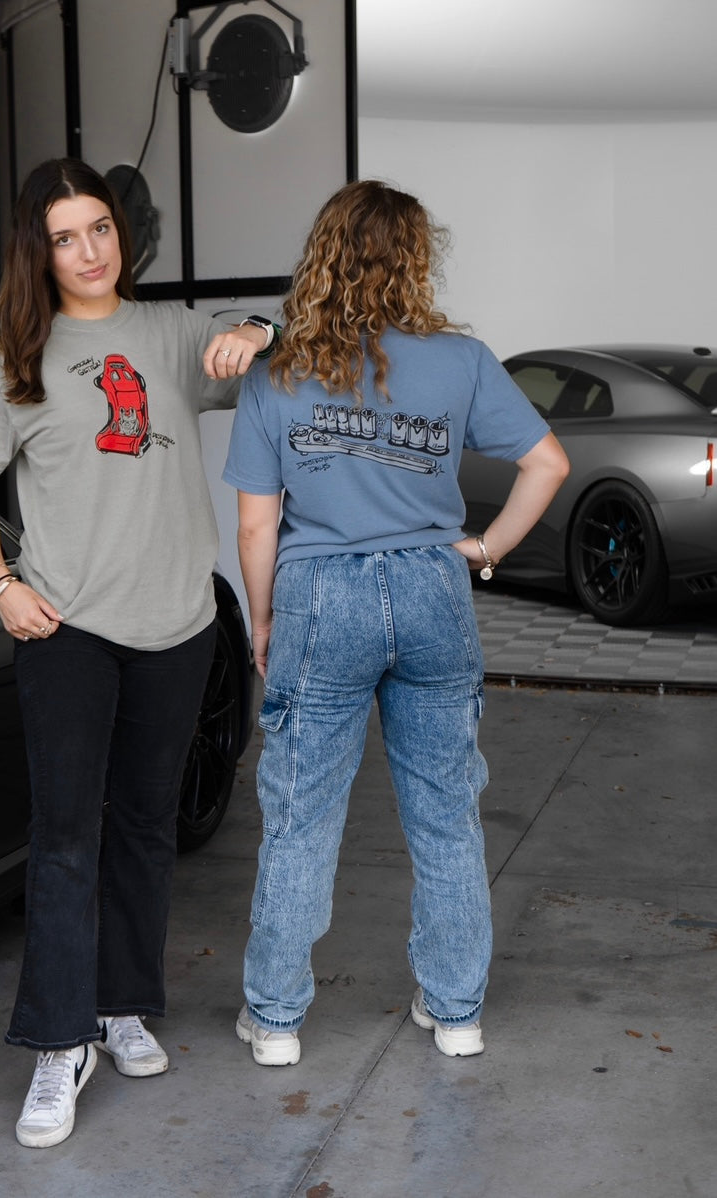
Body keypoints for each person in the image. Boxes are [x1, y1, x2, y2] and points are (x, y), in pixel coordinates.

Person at [0, 158, 276, 1148]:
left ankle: (124, 1002)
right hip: (68, 628)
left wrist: (258, 329)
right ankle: (60, 1043)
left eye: (99, 229)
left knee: (144, 825)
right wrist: (2, 584)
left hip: (175, 624)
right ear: (37, 250)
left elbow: (288, 347)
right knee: (64, 835)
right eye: (66, 236)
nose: (89, 250)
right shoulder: (10, 353)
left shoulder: (174, 334)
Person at [222, 180, 569, 1066]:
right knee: (448, 814)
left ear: (323, 253)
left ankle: (276, 1020)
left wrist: (264, 623)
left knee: (300, 817)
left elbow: (257, 526)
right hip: (431, 590)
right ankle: (456, 1013)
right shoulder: (461, 361)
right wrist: (483, 549)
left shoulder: (278, 370)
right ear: (416, 258)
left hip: (319, 594)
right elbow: (548, 462)